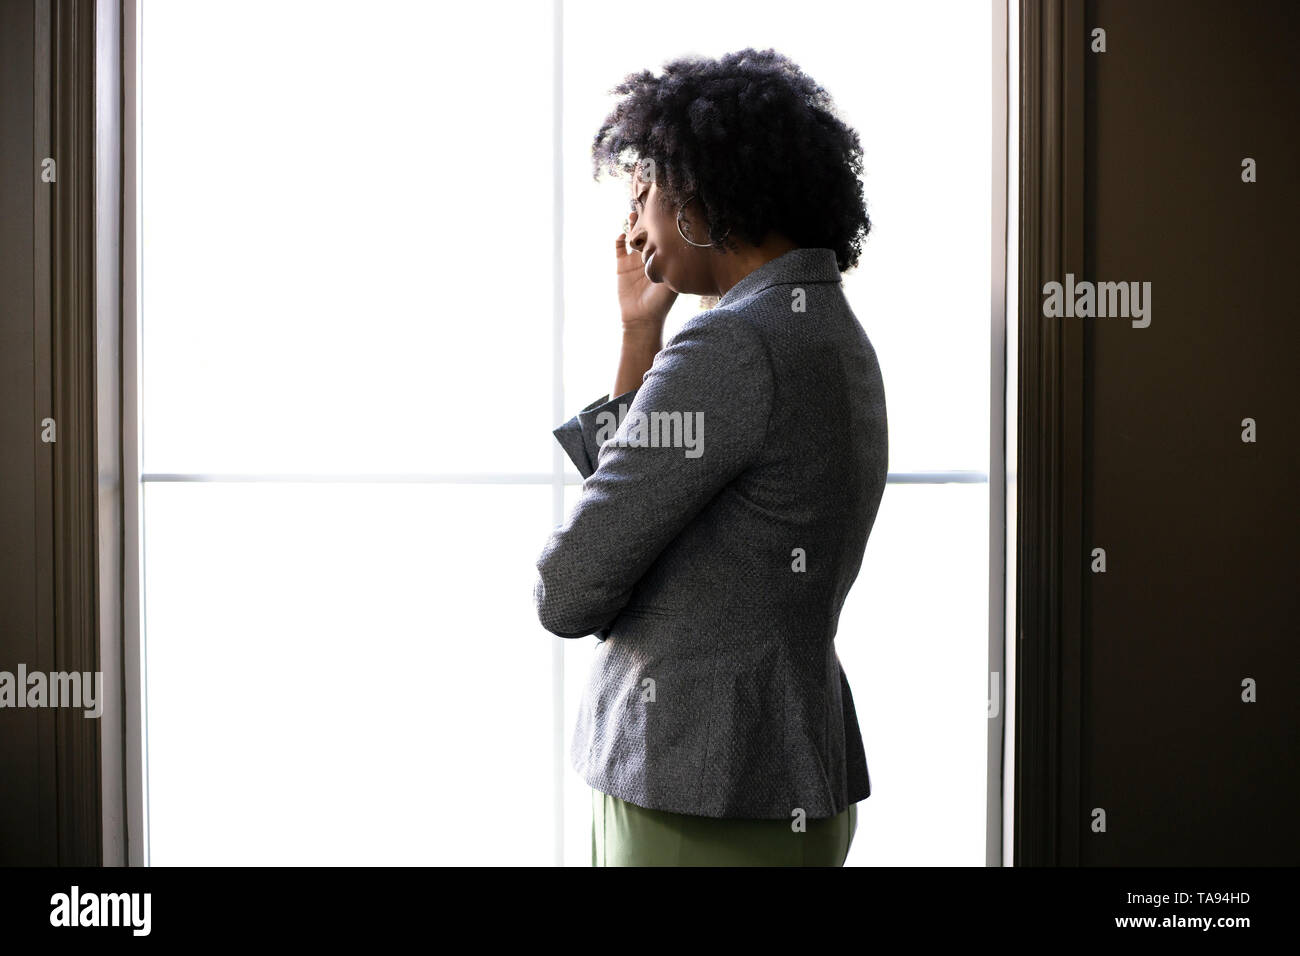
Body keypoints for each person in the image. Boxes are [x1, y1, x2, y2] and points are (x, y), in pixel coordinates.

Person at [534, 47, 888, 866]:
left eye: (645, 192)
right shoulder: (824, 328)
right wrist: (639, 335)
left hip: (693, 792)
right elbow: (655, 498)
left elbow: (572, 585)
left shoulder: (733, 346)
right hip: (783, 779)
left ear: (697, 200)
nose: (633, 225)